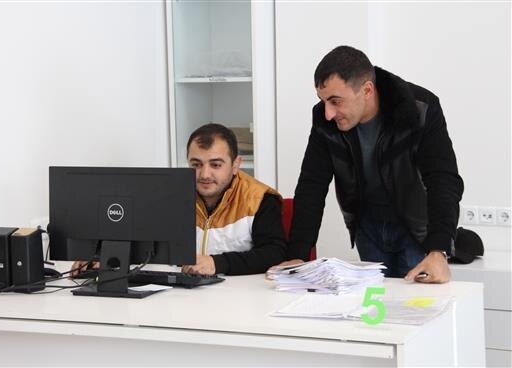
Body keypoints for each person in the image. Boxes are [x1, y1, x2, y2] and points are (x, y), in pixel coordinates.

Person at [279, 46, 463, 283]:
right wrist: (298, 256)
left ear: (366, 90)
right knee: (377, 312)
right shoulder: (324, 121)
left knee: (415, 310)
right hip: (368, 229)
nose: (327, 113)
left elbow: (443, 179)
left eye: (335, 101)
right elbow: (311, 186)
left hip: (417, 230)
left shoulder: (420, 108)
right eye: (323, 101)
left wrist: (439, 249)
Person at [72, 123, 287, 277]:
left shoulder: (260, 199)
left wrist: (217, 263)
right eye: (196, 164)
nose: (204, 174)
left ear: (236, 164)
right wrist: (103, 256)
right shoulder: (169, 195)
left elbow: (273, 254)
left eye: (215, 164)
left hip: (240, 300)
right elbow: (140, 241)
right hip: (181, 297)